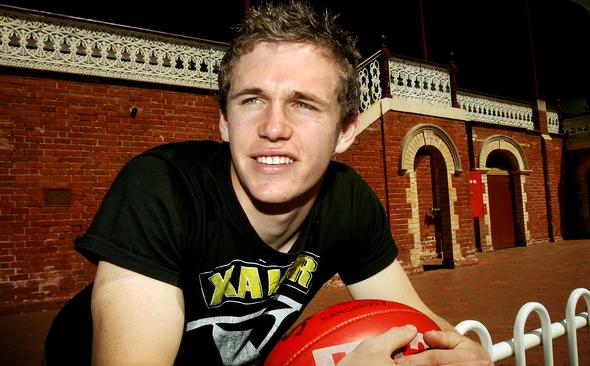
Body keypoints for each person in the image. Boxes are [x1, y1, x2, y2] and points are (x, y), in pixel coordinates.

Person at [64, 1, 492, 365]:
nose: (273, 127)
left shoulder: (346, 201)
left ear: (345, 131)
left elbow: (411, 316)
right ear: (225, 121)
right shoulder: (161, 190)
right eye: (252, 100)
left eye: (303, 104)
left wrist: (468, 353)